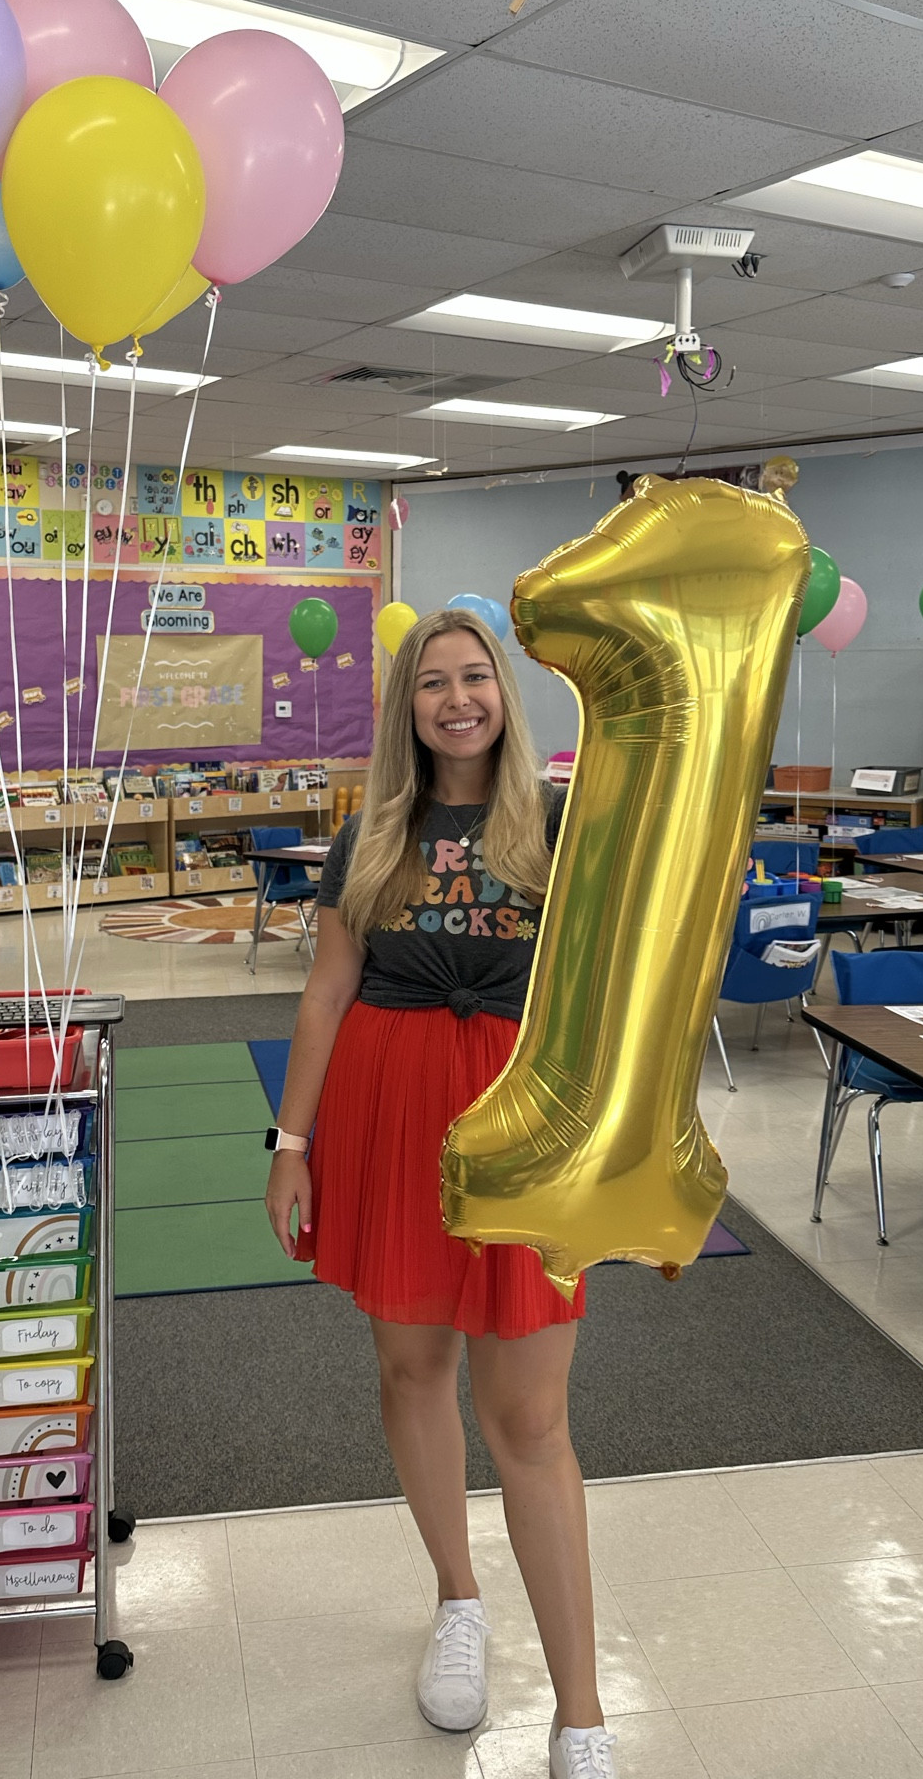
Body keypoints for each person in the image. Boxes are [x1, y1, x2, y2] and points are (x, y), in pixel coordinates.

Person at [264, 607, 617, 1778]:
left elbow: (621, 980)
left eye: (475, 677)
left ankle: (581, 1714)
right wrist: (291, 1140)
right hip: (389, 1110)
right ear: (405, 708)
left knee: (530, 1418)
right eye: (433, 683)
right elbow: (325, 993)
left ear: (506, 694)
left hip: (519, 1119)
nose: (456, 697)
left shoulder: (561, 820)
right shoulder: (373, 830)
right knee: (411, 1368)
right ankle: (457, 1598)